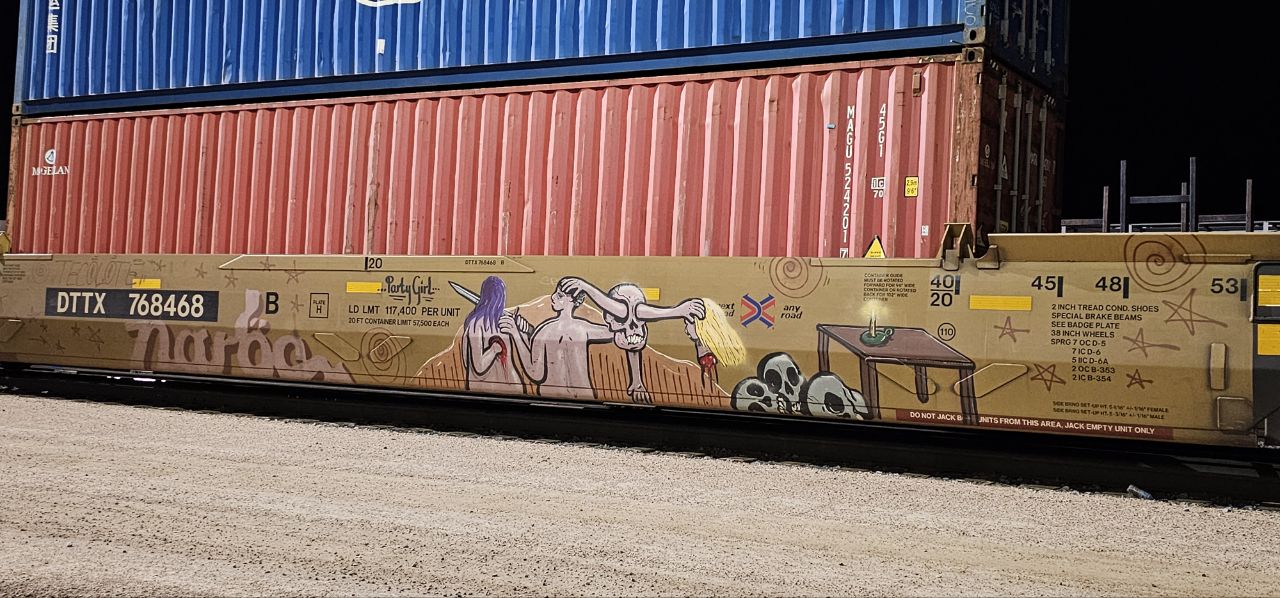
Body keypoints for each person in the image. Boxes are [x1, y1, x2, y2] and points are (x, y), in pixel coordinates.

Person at [499, 280, 613, 400]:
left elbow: (535, 373)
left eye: (559, 295)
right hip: (584, 394)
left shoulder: (544, 331)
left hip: (550, 395)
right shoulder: (583, 328)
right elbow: (616, 330)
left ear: (572, 300)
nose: (553, 297)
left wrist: (516, 334)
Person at [462, 276, 522, 393]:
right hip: (498, 388)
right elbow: (479, 367)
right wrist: (494, 349)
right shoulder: (480, 324)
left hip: (496, 388)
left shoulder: (476, 324)